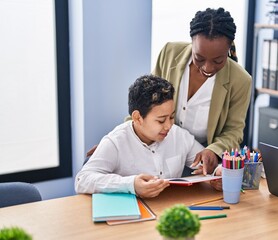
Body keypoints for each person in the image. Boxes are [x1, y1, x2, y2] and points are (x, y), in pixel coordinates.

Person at [75, 75, 221, 198]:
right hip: (131, 218)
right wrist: (131, 185)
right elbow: (82, 180)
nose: (169, 125)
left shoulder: (179, 135)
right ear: (138, 118)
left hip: (169, 211)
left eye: (171, 117)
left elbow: (208, 166)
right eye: (161, 120)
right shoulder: (115, 142)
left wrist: (217, 172)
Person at [152, 7, 252, 175]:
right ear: (192, 42)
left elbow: (233, 131)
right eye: (199, 58)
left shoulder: (240, 80)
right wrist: (119, 141)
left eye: (218, 60)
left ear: (228, 50)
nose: (207, 67)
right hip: (156, 154)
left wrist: (214, 150)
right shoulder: (169, 53)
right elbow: (147, 103)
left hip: (199, 166)